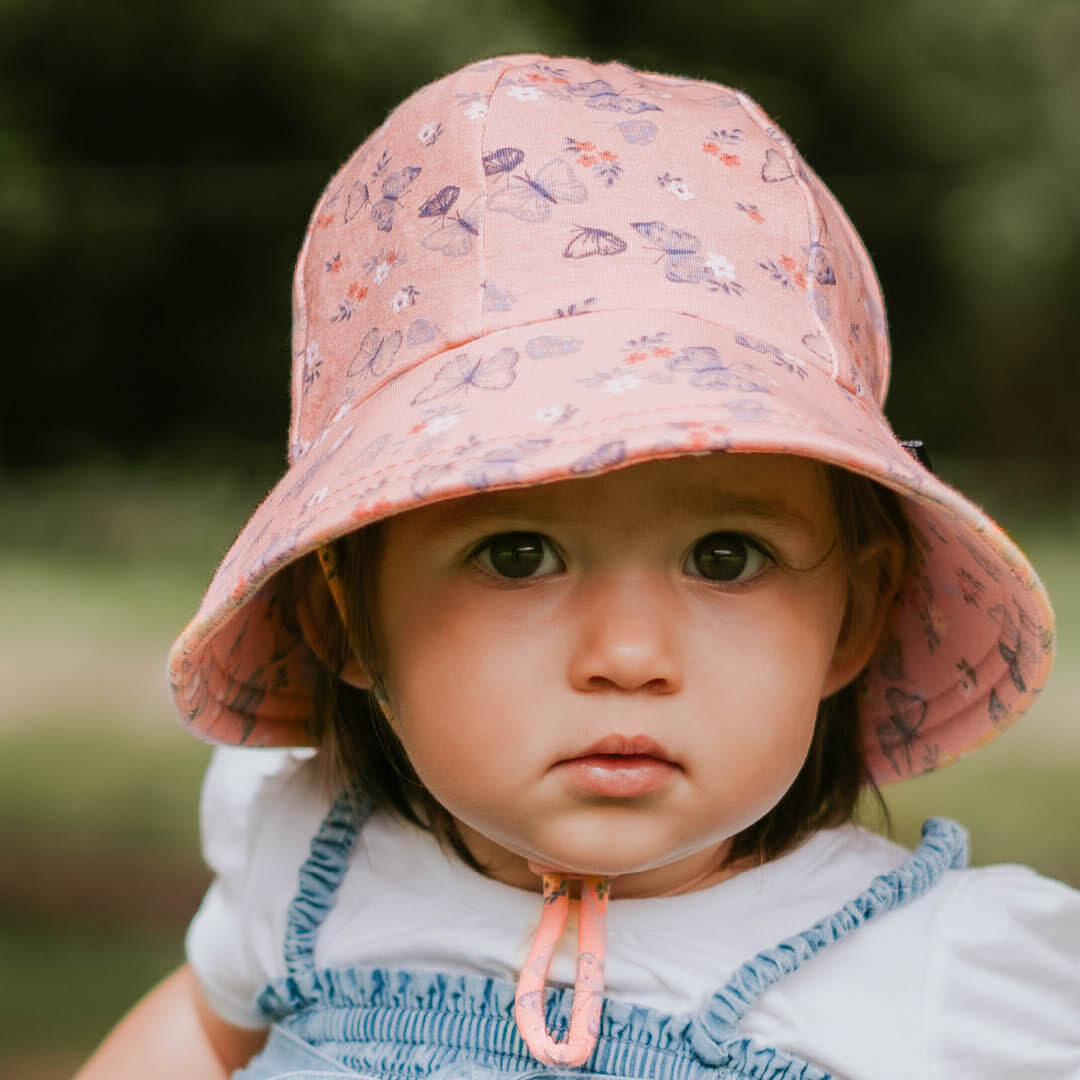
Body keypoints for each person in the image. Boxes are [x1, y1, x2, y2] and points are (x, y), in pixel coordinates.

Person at [74, 53, 1079, 1079]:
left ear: (855, 620)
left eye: (727, 557)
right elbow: (200, 1032)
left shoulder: (938, 979)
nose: (630, 654)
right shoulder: (307, 876)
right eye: (518, 555)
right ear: (346, 623)